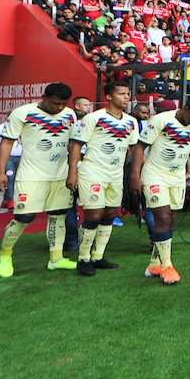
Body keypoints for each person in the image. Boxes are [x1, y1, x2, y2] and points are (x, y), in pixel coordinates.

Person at [0, 83, 79, 278]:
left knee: (58, 215)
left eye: (63, 104)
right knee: (24, 217)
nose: (59, 107)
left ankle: (56, 258)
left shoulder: (69, 114)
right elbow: (6, 142)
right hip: (31, 175)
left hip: (60, 174)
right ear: (44, 97)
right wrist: (0, 172)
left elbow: (73, 144)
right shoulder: (23, 113)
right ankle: (4, 254)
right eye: (55, 103)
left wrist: (73, 171)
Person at [131, 96, 190, 285]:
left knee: (169, 220)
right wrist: (135, 175)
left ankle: (154, 264)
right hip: (155, 174)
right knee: (163, 218)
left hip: (177, 178)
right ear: (186, 108)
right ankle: (167, 267)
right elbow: (140, 147)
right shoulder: (161, 120)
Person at [67, 83, 139, 276]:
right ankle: (83, 258)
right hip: (93, 172)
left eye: (128, 94)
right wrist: (72, 172)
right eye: (121, 93)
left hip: (115, 174)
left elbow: (132, 148)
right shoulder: (93, 118)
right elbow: (76, 145)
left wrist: (133, 172)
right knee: (94, 215)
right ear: (108, 96)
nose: (126, 97)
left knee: (110, 214)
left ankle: (98, 257)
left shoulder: (131, 121)